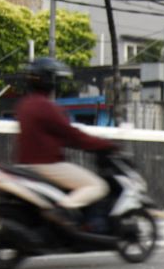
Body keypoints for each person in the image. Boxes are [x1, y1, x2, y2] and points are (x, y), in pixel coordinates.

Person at [15, 57, 117, 229]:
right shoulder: (45, 107)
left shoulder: (25, 105)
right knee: (97, 185)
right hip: (48, 165)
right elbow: (71, 135)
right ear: (48, 81)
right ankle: (62, 210)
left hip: (28, 165)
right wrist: (103, 145)